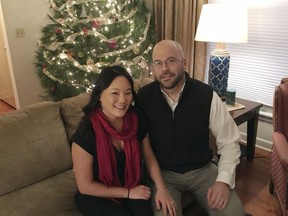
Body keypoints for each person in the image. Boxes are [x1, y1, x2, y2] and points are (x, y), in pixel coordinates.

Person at [136, 40, 246, 216]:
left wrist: (223, 181)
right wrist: (159, 187)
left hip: (202, 170)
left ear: (184, 62)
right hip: (164, 175)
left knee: (234, 213)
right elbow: (143, 144)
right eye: (158, 63)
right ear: (153, 67)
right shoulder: (143, 98)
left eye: (171, 61)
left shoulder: (206, 95)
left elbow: (229, 141)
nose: (164, 69)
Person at [70, 66, 153, 216]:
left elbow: (149, 157)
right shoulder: (86, 134)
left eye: (128, 93)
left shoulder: (135, 120)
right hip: (96, 194)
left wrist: (161, 188)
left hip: (131, 183)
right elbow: (85, 186)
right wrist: (128, 193)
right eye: (115, 93)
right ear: (100, 95)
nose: (123, 100)